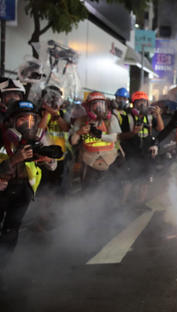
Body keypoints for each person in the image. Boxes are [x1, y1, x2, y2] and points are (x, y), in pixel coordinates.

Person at [0, 101, 57, 283]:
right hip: (3, 192)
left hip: (22, 192)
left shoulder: (32, 141)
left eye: (32, 120)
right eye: (22, 120)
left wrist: (45, 159)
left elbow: (54, 163)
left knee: (11, 231)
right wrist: (14, 160)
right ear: (10, 122)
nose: (28, 125)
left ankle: (3, 270)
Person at [118, 91, 164, 204]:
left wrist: (158, 115)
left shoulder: (149, 116)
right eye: (139, 102)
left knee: (145, 179)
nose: (142, 104)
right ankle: (122, 203)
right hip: (131, 152)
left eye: (144, 101)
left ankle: (140, 202)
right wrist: (133, 133)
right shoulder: (126, 116)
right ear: (134, 103)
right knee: (128, 179)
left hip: (146, 152)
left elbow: (160, 128)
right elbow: (120, 135)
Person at [69, 91, 122, 190]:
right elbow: (73, 141)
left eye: (101, 104)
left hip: (109, 162)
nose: (98, 107)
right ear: (88, 107)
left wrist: (99, 134)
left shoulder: (111, 119)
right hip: (89, 164)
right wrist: (79, 132)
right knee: (88, 192)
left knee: (109, 192)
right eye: (94, 104)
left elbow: (113, 138)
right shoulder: (81, 121)